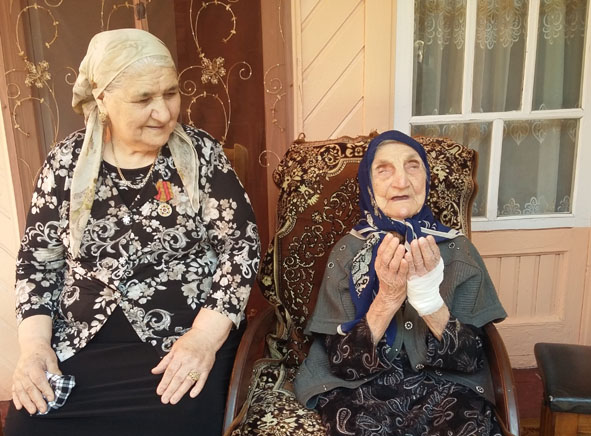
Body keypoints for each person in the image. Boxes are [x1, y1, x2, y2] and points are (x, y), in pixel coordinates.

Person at [5, 28, 260, 436]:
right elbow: (38, 264)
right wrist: (35, 348)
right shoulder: (65, 164)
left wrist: (203, 338)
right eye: (143, 99)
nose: (164, 113)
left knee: (178, 423)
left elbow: (240, 248)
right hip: (83, 342)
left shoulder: (201, 154)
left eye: (171, 93)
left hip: (182, 338)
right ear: (102, 99)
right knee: (30, 426)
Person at [294, 130, 507, 436]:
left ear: (426, 179)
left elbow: (470, 357)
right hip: (359, 389)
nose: (401, 181)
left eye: (412, 166)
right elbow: (343, 363)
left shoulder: (459, 251)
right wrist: (388, 299)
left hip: (447, 384)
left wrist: (428, 300)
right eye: (384, 170)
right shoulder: (347, 253)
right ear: (368, 184)